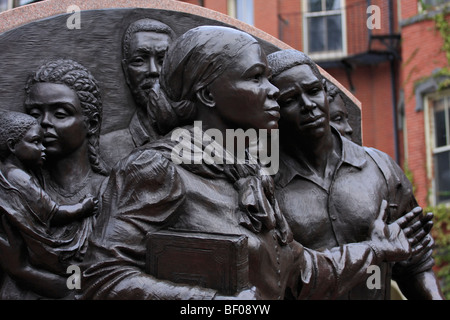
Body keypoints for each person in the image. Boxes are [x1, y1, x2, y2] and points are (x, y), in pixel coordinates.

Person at [79, 26, 432, 300]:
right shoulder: (158, 168)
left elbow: (300, 273)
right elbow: (102, 278)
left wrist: (377, 249)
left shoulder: (250, 174)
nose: (273, 90)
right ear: (207, 94)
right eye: (255, 77)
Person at [267, 49, 444, 299]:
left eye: (314, 91)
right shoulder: (263, 184)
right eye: (290, 100)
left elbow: (415, 265)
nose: (309, 106)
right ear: (272, 110)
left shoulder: (379, 167)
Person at [0, 59, 108, 299]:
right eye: (34, 114)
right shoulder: (14, 190)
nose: (44, 122)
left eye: (60, 113)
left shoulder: (110, 191)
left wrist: (22, 271)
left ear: (91, 123)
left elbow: (110, 283)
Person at [100, 18, 193, 168]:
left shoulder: (203, 143)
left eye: (163, 60)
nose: (153, 71)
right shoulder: (104, 149)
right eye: (139, 60)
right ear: (125, 70)